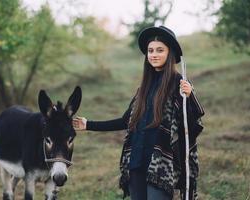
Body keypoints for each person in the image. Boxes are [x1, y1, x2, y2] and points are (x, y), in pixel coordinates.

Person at [72, 26, 205, 200]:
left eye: (160, 50)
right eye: (150, 50)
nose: (154, 55)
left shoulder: (179, 83)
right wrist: (88, 124)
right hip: (136, 162)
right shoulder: (144, 88)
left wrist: (190, 96)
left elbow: (191, 124)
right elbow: (125, 121)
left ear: (169, 53)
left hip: (160, 167)